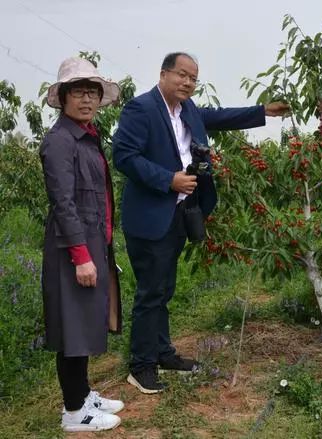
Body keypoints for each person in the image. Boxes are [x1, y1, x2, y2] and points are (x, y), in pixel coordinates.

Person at [112, 52, 289, 394]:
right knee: (150, 292)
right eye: (182, 75)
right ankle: (141, 365)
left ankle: (162, 352)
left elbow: (217, 116)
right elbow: (124, 157)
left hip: (178, 214)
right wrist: (169, 179)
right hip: (150, 217)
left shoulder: (188, 110)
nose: (188, 82)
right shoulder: (141, 109)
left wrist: (262, 111)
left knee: (164, 289)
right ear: (163, 74)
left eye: (193, 78)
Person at [40, 57, 124, 432]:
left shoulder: (87, 136)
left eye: (92, 92)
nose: (87, 99)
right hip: (73, 249)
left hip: (93, 243)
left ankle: (83, 392)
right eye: (79, 92)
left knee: (86, 322)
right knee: (72, 329)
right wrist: (81, 256)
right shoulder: (59, 142)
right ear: (63, 97)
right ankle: (74, 412)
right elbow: (64, 203)